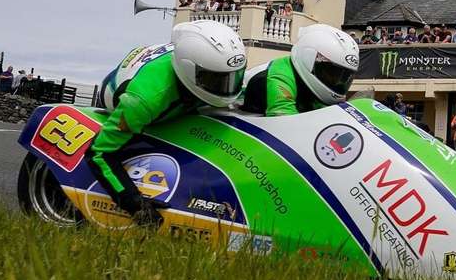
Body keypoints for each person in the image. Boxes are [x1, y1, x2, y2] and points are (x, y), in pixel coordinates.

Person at [90, 21, 247, 224]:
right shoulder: (143, 101)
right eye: (218, 80)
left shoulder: (212, 67)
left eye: (234, 77)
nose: (228, 87)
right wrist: (133, 202)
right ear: (191, 72)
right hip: (128, 94)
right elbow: (99, 152)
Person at [242, 24, 359, 116]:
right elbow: (286, 123)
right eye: (331, 73)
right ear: (309, 58)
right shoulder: (280, 78)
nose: (337, 81)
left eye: (344, 77)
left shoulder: (309, 85)